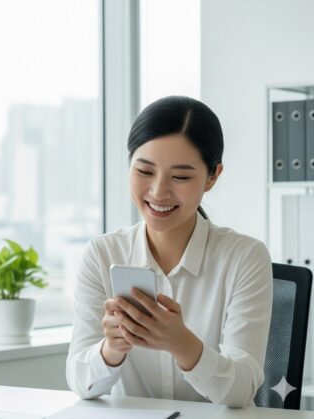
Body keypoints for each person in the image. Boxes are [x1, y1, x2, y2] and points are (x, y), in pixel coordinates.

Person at [66, 96, 272, 407]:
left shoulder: (245, 258)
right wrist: (111, 350)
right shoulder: (102, 254)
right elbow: (81, 382)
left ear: (213, 176)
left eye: (181, 177)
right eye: (145, 171)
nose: (159, 191)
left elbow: (241, 391)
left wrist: (182, 344)